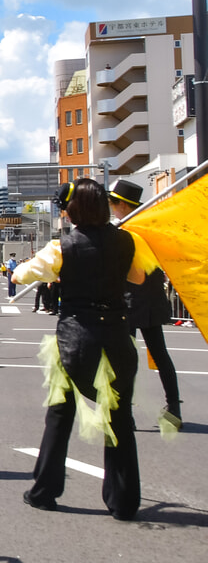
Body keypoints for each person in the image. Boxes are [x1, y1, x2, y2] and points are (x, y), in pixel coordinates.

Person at [14, 179, 146, 521]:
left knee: (60, 416)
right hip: (117, 337)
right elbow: (138, 278)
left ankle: (44, 491)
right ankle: (124, 501)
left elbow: (20, 276)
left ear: (73, 210)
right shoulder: (127, 240)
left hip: (76, 339)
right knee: (119, 418)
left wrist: (57, 272)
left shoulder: (63, 247)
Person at [108, 180, 180, 431]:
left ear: (122, 205)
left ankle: (124, 412)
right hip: (150, 299)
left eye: (113, 203)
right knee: (160, 354)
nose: (111, 207)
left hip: (129, 301)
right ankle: (174, 408)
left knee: (124, 358)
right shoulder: (148, 227)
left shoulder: (125, 231)